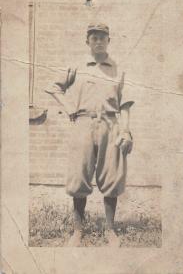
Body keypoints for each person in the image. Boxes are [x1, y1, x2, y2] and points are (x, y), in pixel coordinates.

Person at [45, 23, 134, 247]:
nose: (98, 41)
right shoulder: (77, 65)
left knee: (112, 177)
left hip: (111, 124)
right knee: (79, 176)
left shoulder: (118, 68)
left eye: (103, 37)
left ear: (109, 40)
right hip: (83, 124)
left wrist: (126, 130)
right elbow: (54, 87)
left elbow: (125, 105)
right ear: (87, 41)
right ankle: (77, 232)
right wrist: (69, 108)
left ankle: (110, 232)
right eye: (94, 37)